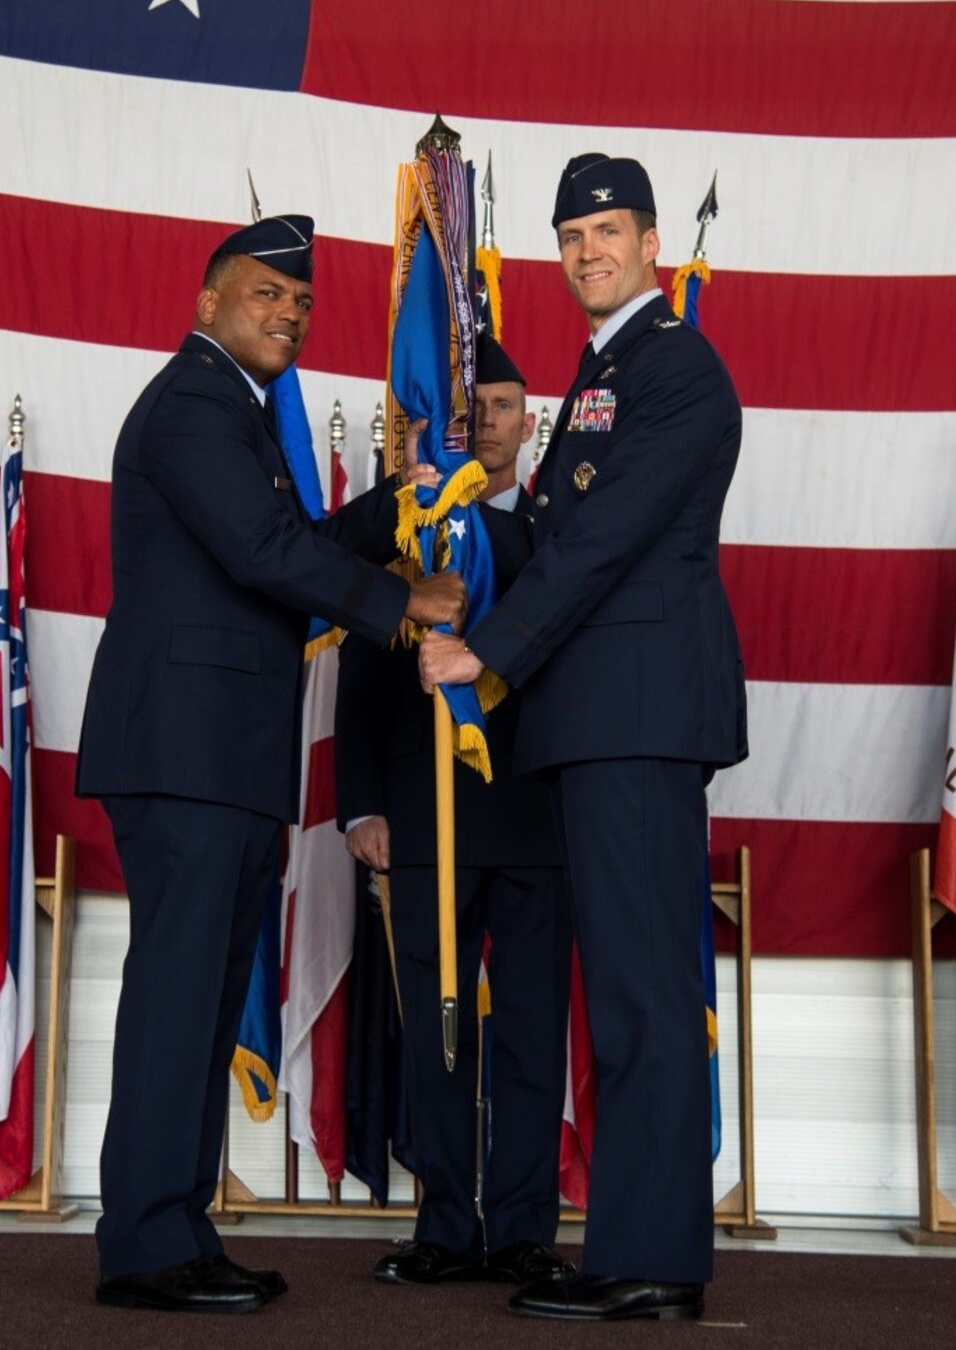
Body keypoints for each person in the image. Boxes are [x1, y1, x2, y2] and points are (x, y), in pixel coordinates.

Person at [76, 215, 466, 1316]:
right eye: (264, 295)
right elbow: (263, 550)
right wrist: (404, 605)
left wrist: (401, 501)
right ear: (207, 303)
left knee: (199, 998)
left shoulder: (230, 415)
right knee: (176, 996)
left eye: (299, 303)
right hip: (186, 751)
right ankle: (147, 1241)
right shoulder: (195, 403)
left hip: (224, 755)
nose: (288, 313)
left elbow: (282, 540)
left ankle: (172, 1228)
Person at [419, 154, 747, 1323]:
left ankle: (653, 1258)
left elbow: (601, 539)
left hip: (638, 717)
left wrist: (486, 651)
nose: (585, 251)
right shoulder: (602, 371)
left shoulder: (676, 368)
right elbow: (557, 534)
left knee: (645, 993)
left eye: (607, 229)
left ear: (652, 241)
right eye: (569, 235)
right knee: (621, 992)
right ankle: (630, 1244)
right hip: (596, 720)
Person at [335, 334, 573, 1290]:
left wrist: (460, 509)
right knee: (434, 1029)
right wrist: (357, 805)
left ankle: (520, 1228)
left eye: (505, 407)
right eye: (475, 408)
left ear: (530, 421)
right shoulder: (403, 524)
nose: (488, 423)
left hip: (535, 809)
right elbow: (359, 662)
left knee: (526, 1031)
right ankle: (442, 1223)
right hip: (422, 810)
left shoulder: (560, 525)